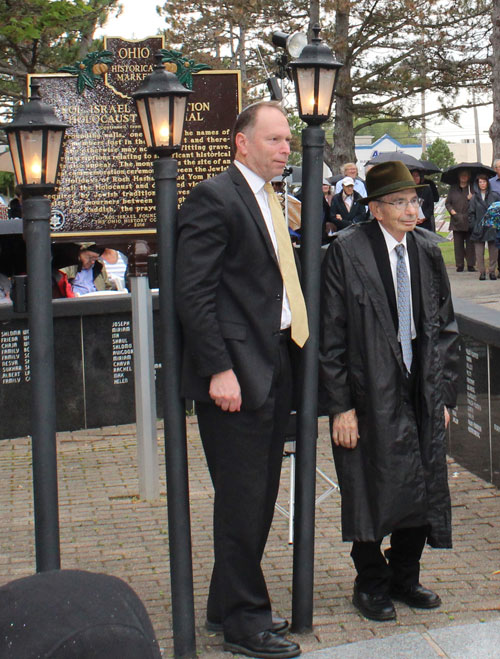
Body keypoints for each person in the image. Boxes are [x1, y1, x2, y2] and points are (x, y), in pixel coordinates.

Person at [175, 100, 304, 659]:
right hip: (235, 372)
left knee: (256, 495)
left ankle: (224, 603)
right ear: (242, 143)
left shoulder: (272, 200)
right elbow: (193, 293)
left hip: (275, 361)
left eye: (288, 142)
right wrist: (218, 370)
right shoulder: (215, 197)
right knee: (244, 497)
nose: (284, 149)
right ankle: (245, 624)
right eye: (274, 140)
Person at [320, 160, 459, 623]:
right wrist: (340, 406)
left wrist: (443, 395)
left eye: (413, 201)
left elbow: (444, 327)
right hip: (368, 388)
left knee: (420, 481)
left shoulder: (425, 249)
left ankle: (405, 575)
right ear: (375, 209)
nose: (410, 210)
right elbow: (331, 334)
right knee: (369, 485)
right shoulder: (346, 251)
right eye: (399, 202)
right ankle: (371, 582)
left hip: (419, 384)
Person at [468, 173, 500, 280]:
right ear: (477, 184)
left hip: (492, 226)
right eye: (480, 182)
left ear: (487, 183)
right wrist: (473, 225)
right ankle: (482, 272)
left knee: (493, 252)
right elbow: (471, 213)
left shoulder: (494, 196)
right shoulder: (474, 198)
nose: (482, 184)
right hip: (479, 227)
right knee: (479, 252)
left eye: (484, 181)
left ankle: (492, 271)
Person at [445, 168, 476, 272]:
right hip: (456, 219)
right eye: (462, 175)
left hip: (469, 219)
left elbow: (477, 202)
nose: (464, 177)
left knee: (470, 244)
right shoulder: (453, 188)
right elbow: (447, 203)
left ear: (469, 177)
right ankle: (460, 265)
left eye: (466, 175)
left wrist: (472, 198)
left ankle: (471, 264)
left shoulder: (472, 188)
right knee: (458, 244)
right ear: (458, 176)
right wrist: (453, 212)